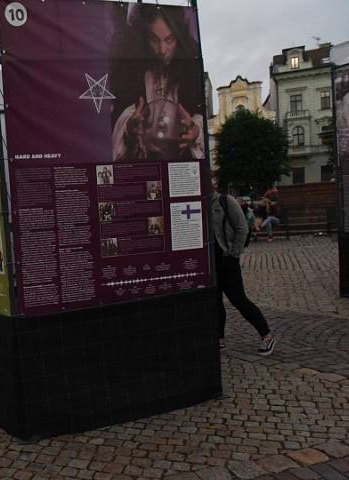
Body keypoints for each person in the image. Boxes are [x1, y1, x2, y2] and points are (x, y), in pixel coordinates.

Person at [110, 6, 204, 161]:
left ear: (180, 40)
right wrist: (129, 126)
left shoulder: (190, 73)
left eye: (170, 39)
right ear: (144, 38)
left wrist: (196, 132)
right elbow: (120, 116)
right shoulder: (131, 74)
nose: (162, 50)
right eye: (154, 39)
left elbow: (199, 116)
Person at [210, 181, 276, 355]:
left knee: (239, 300)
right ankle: (219, 338)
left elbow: (242, 228)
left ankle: (266, 334)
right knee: (215, 302)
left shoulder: (225, 201)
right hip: (209, 263)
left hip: (227, 260)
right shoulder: (198, 204)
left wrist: (234, 253)